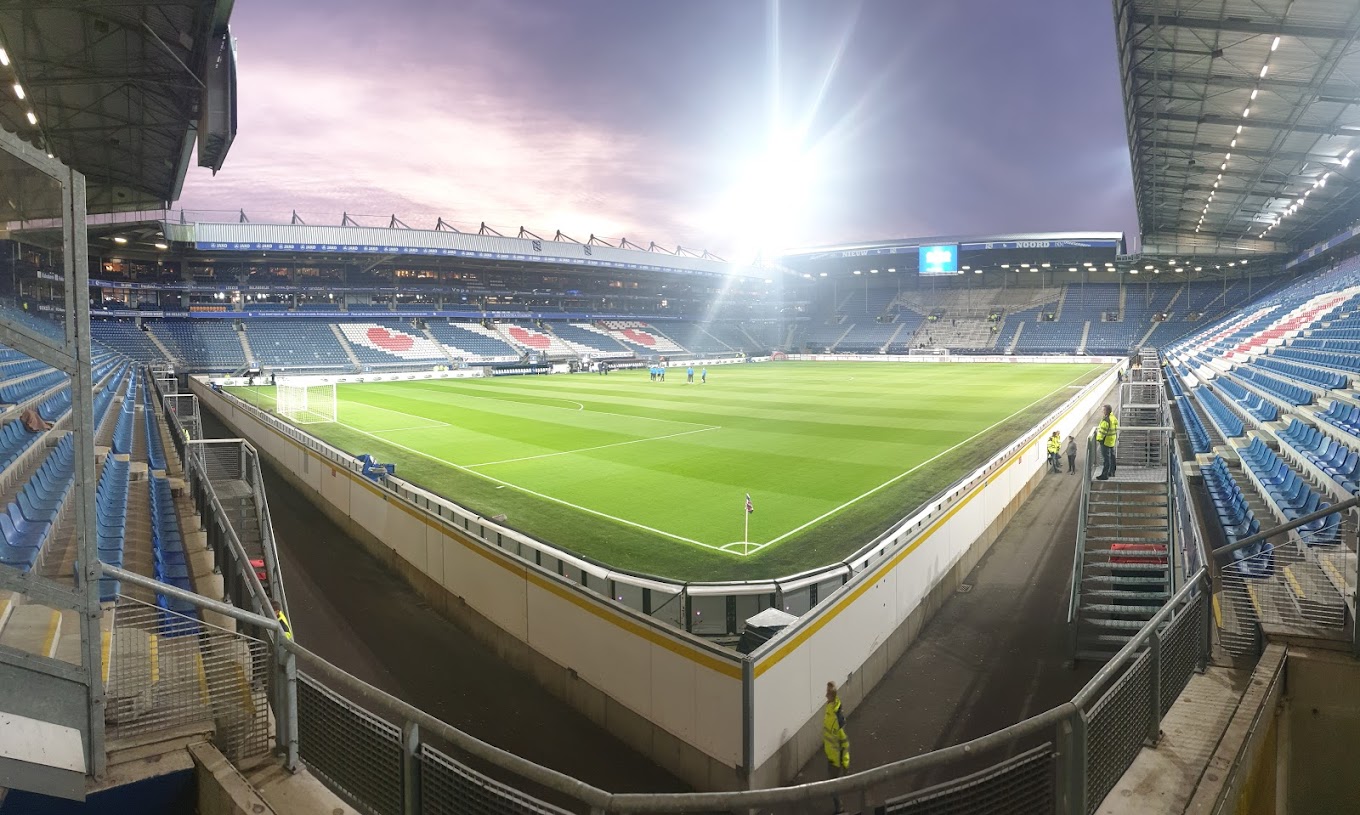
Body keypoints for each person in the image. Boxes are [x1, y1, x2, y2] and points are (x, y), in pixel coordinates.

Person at [823, 682, 850, 812]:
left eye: (827, 693)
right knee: (832, 785)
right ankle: (839, 807)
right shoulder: (830, 709)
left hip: (836, 759)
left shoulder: (836, 716)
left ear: (831, 696)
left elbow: (844, 742)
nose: (825, 695)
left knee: (833, 787)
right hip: (831, 755)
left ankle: (839, 809)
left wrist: (845, 762)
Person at [1095, 404, 1119, 480]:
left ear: (1107, 411)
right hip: (1112, 440)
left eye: (1103, 410)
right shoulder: (1113, 418)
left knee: (1106, 459)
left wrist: (1099, 439)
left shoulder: (1106, 420)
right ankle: (1112, 472)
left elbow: (1102, 432)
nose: (1102, 411)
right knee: (1112, 456)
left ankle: (1105, 475)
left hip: (1105, 441)